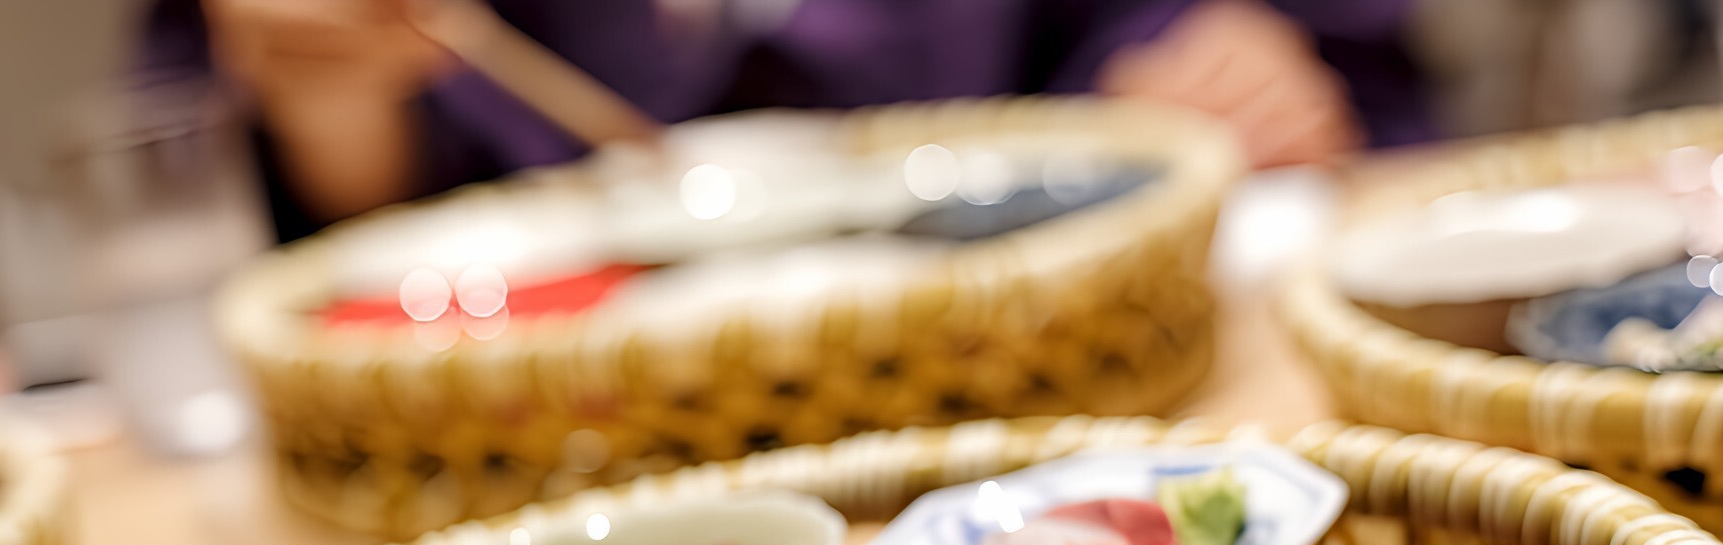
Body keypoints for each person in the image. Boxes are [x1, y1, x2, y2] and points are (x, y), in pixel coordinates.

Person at [143, 0, 1425, 238]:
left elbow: (1322, 75)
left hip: (1064, 365)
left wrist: (1218, 53)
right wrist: (331, 118)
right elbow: (351, 226)